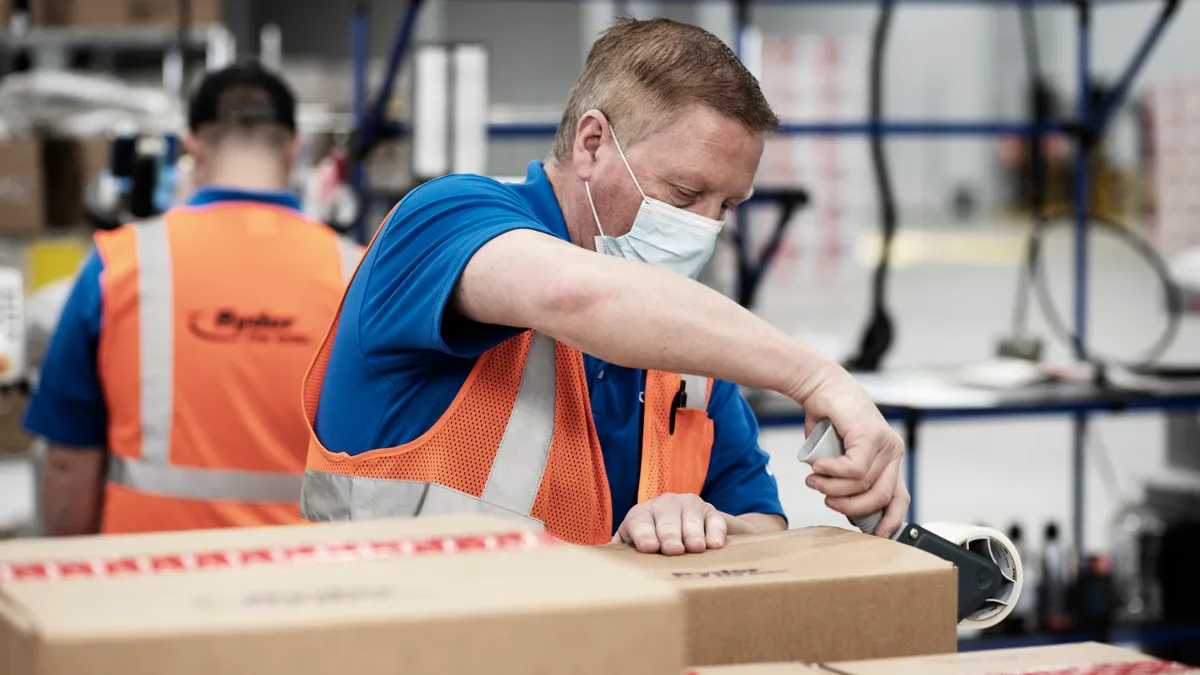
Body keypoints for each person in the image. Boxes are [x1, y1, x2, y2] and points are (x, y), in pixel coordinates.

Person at [300, 18, 909, 555]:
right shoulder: (443, 221)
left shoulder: (689, 349)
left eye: (726, 205)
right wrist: (815, 376)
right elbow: (575, 296)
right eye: (684, 193)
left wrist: (700, 524)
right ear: (592, 144)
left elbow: (761, 523)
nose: (704, 228)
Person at [25, 63, 362, 535]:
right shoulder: (360, 274)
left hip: (150, 581)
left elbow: (67, 462)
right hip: (309, 585)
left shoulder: (118, 264)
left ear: (191, 147)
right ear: (295, 148)